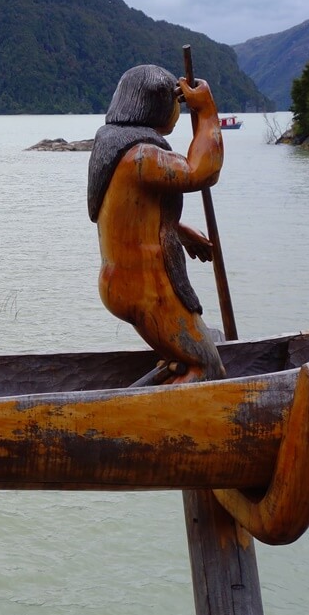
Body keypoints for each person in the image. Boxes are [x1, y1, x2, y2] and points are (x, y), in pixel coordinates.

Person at [87, 64, 226, 383]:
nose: (179, 111)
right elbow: (201, 172)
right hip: (147, 287)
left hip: (120, 281)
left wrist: (177, 230)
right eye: (177, 102)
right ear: (157, 105)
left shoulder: (112, 145)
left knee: (185, 353)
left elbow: (128, 215)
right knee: (207, 369)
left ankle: (157, 382)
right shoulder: (142, 155)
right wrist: (206, 112)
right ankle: (167, 422)